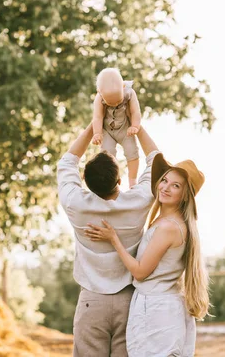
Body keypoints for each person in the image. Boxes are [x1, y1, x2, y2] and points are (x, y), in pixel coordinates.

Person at [85, 153, 210, 356]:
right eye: (165, 180)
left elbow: (140, 272)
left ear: (186, 195)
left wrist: (113, 239)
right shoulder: (165, 220)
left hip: (157, 310)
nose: (165, 187)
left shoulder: (169, 227)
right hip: (159, 306)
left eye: (176, 186)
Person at [57, 122, 159, 357]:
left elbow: (67, 162)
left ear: (86, 182)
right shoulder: (137, 203)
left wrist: (93, 126)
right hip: (128, 301)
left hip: (91, 301)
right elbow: (156, 161)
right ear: (119, 180)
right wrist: (136, 126)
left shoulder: (76, 204)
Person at [92, 68, 142, 187]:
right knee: (107, 155)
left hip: (125, 129)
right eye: (110, 102)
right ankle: (111, 181)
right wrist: (97, 133)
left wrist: (134, 125)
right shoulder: (99, 98)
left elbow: (136, 111)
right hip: (107, 130)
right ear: (100, 92)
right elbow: (97, 117)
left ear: (123, 86)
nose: (115, 104)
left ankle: (132, 180)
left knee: (132, 151)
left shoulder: (129, 92)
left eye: (118, 101)